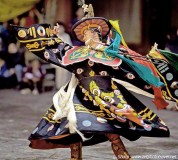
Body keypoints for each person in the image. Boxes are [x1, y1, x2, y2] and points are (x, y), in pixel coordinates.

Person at [12, 2, 170, 160]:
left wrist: (152, 68)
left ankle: (124, 156)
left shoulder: (110, 54)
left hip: (105, 96)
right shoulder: (76, 53)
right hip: (78, 97)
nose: (85, 37)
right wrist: (51, 36)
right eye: (84, 35)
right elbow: (55, 49)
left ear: (97, 34)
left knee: (112, 131)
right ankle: (76, 158)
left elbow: (131, 71)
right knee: (72, 129)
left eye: (88, 34)